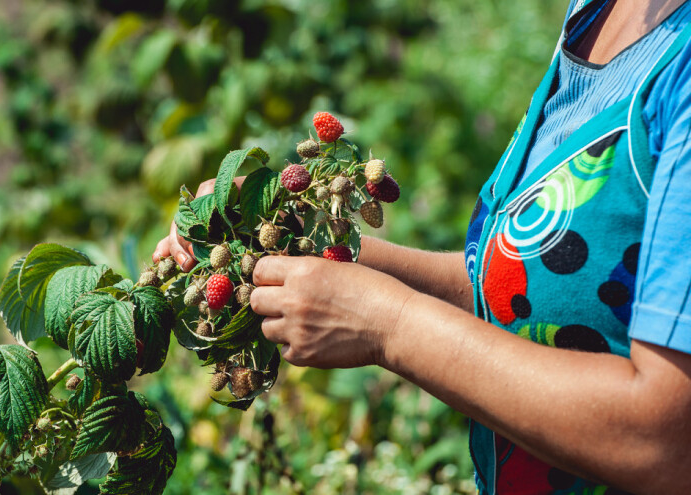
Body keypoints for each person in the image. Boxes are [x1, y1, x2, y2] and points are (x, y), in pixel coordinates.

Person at [153, 0, 691, 492]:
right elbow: (530, 289)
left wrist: (389, 325)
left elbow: (663, 440)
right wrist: (301, 247)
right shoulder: (595, 13)